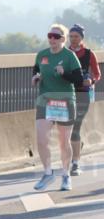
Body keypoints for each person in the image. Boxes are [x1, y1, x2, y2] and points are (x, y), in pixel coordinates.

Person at [31, 23, 84, 191]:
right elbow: (36, 70)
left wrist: (64, 73)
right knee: (41, 139)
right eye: (49, 36)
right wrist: (36, 78)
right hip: (45, 100)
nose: (51, 39)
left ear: (63, 39)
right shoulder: (42, 55)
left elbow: (78, 80)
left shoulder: (69, 57)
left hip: (65, 101)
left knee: (63, 142)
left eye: (56, 37)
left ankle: (66, 175)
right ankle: (47, 173)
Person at [67, 24, 100, 176]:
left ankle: (75, 164)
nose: (73, 39)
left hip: (82, 94)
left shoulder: (88, 54)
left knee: (76, 126)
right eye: (71, 36)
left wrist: (91, 81)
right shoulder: (64, 53)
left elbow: (97, 74)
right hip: (65, 94)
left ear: (82, 38)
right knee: (65, 128)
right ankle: (76, 148)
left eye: (76, 37)